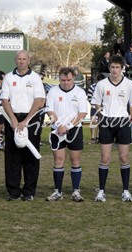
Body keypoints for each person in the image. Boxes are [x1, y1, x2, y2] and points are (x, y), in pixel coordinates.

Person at [91, 55, 132, 202]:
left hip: (123, 122)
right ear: (109, 68)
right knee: (105, 158)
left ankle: (125, 191)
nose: (115, 70)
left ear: (122, 68)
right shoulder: (101, 85)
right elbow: (96, 103)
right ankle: (101, 191)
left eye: (117, 67)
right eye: (112, 67)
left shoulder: (130, 84)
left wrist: (130, 118)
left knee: (124, 157)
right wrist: (102, 116)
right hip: (106, 122)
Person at [1, 50, 46, 201]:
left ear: (28, 60)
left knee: (30, 156)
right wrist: (13, 120)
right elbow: (4, 100)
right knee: (12, 156)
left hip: (31, 119)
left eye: (24, 59)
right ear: (15, 60)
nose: (21, 61)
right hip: (12, 118)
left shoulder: (35, 78)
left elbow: (39, 100)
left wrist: (25, 121)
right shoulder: (8, 77)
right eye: (19, 59)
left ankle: (28, 192)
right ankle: (13, 191)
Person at [45, 67, 87, 202]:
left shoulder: (80, 92)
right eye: (63, 80)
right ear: (59, 79)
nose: (66, 82)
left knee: (75, 160)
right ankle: (58, 191)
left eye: (69, 80)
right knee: (58, 160)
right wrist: (59, 126)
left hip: (74, 129)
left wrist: (68, 126)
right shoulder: (52, 91)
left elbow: (82, 113)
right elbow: (49, 111)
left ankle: (76, 191)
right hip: (57, 130)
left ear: (73, 78)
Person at [87, 73, 105, 145]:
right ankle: (92, 138)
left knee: (100, 123)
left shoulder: (106, 87)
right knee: (93, 122)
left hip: (103, 108)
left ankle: (98, 137)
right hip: (94, 107)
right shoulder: (92, 87)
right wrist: (95, 105)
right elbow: (89, 98)